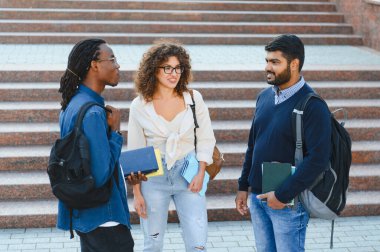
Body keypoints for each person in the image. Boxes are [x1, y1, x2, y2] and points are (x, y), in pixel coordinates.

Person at [235, 34, 332, 252]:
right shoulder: (264, 97)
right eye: (267, 61)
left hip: (288, 203)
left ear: (294, 64)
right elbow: (253, 145)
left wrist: (282, 195)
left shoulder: (313, 105)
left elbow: (318, 159)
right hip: (258, 197)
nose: (268, 67)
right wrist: (243, 186)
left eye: (275, 62)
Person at [128, 39, 216, 252]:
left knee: (198, 243)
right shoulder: (140, 105)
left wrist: (201, 172)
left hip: (189, 176)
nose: (173, 73)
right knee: (153, 243)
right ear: (153, 70)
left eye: (178, 68)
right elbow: (136, 151)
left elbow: (206, 138)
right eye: (167, 67)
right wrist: (137, 194)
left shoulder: (194, 99)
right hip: (153, 179)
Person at [58, 38, 145, 252]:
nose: (118, 65)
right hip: (105, 218)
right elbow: (99, 172)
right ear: (94, 65)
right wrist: (115, 132)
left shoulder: (72, 104)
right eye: (112, 59)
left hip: (86, 213)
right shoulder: (93, 112)